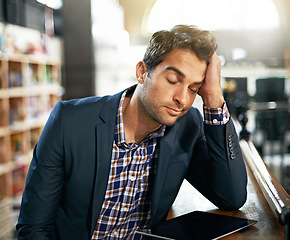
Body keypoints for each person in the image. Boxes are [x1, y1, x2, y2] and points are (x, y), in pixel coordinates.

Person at [16, 25, 247, 240]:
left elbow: (232, 197)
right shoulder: (69, 121)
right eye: (173, 80)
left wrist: (214, 98)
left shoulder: (188, 126)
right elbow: (34, 228)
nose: (182, 99)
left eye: (194, 89)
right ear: (142, 72)